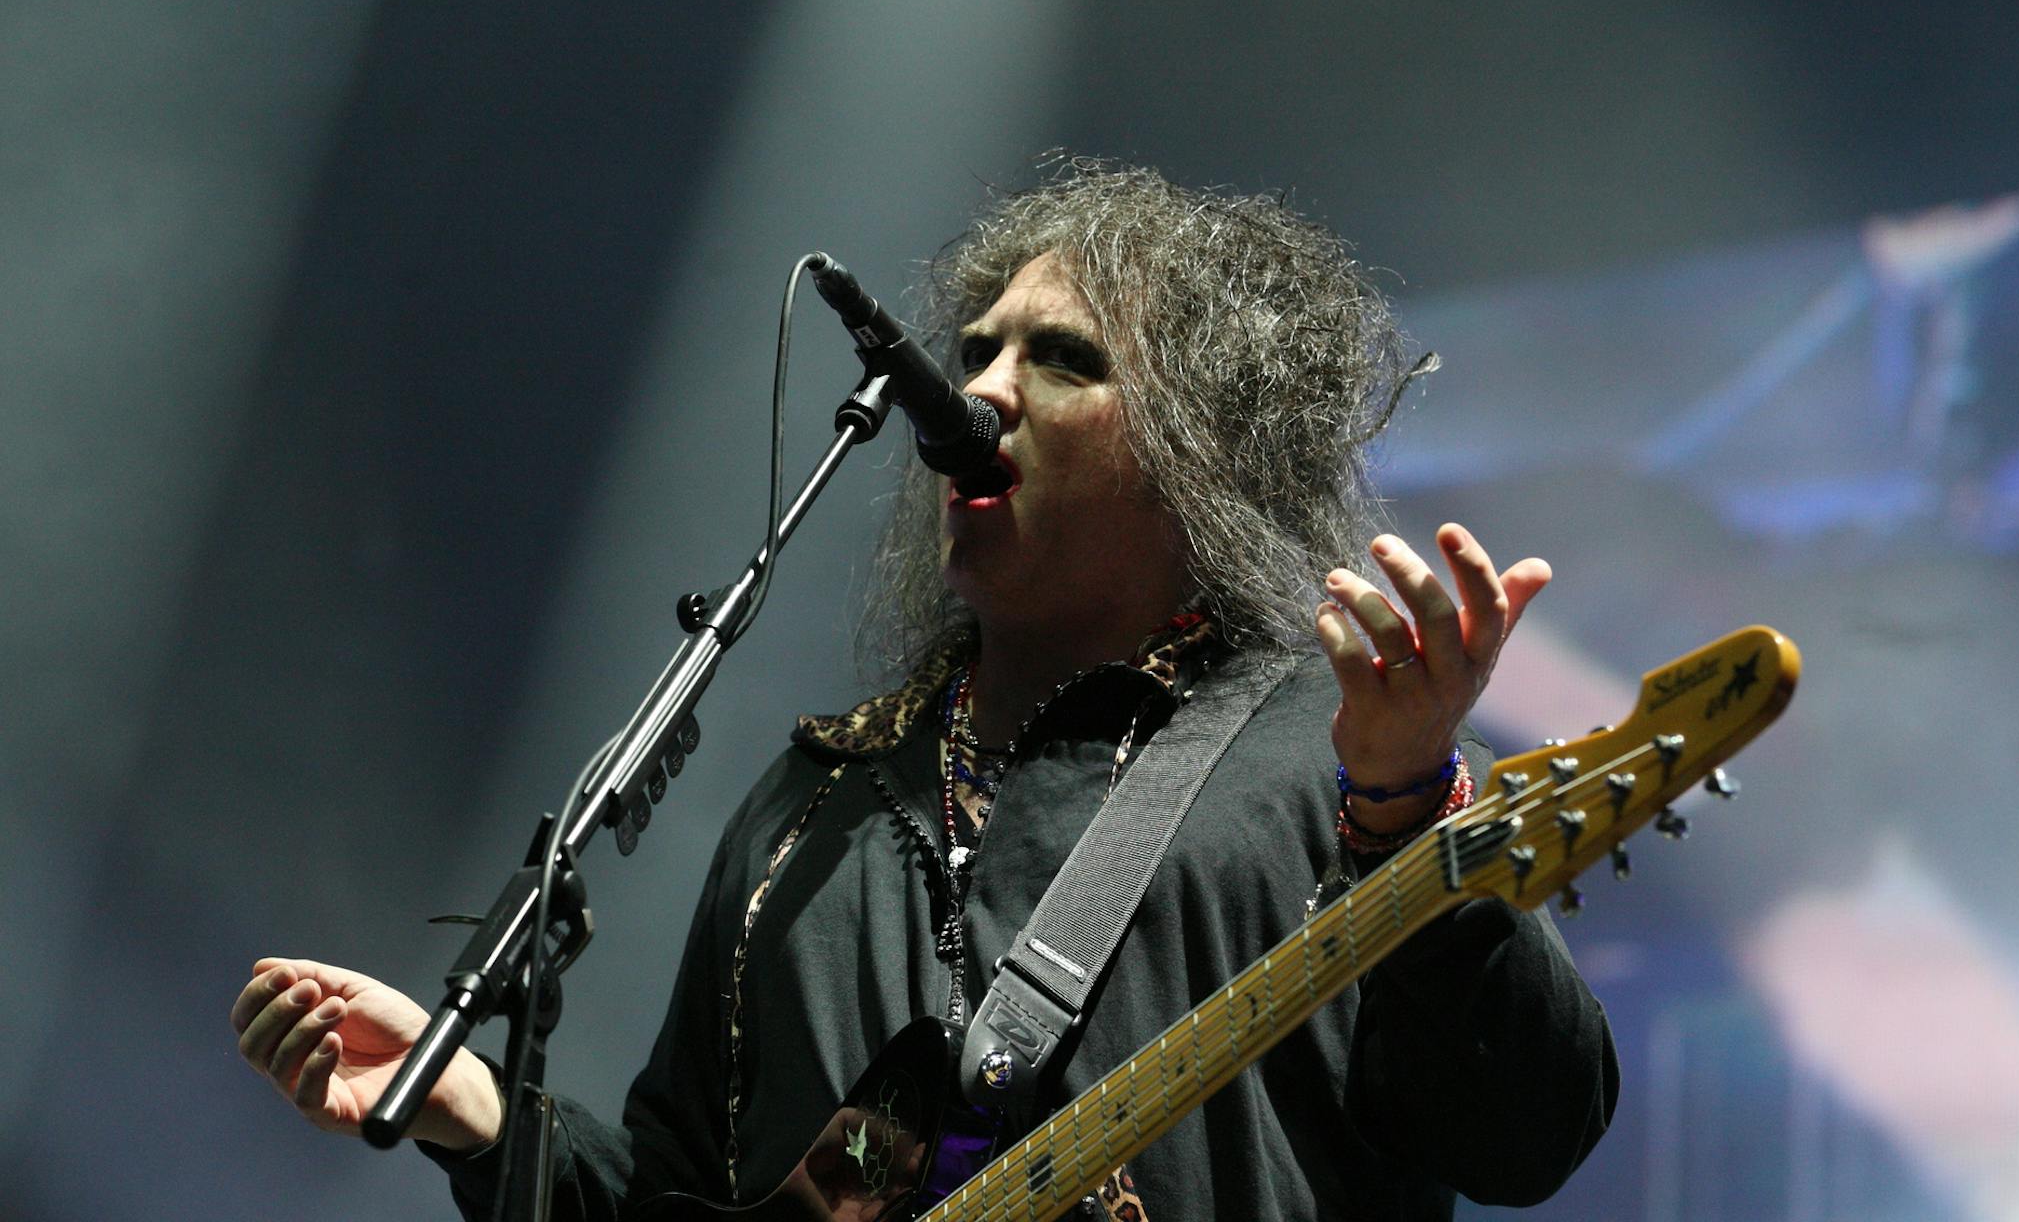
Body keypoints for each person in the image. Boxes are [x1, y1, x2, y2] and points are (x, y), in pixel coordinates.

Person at [231, 160, 1617, 1219]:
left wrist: (1403, 809)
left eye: (1062, 359)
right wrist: (484, 1116)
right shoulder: (809, 812)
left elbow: (1528, 1135)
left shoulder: (1325, 751)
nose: (982, 388)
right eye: (973, 352)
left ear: (1204, 447)